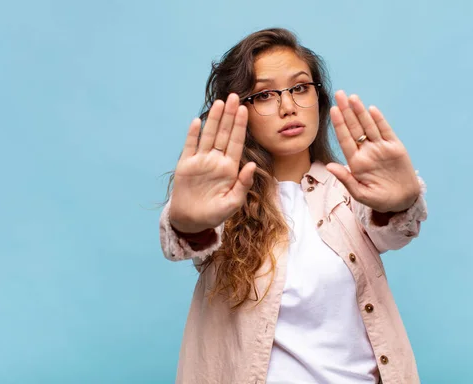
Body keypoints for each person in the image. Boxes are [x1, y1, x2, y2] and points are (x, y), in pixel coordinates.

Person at [159, 27, 427, 384]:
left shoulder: (350, 192)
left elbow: (393, 231)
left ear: (318, 97)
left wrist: (400, 203)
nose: (288, 107)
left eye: (300, 88)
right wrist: (187, 223)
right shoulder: (224, 201)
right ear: (240, 111)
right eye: (265, 95)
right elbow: (190, 237)